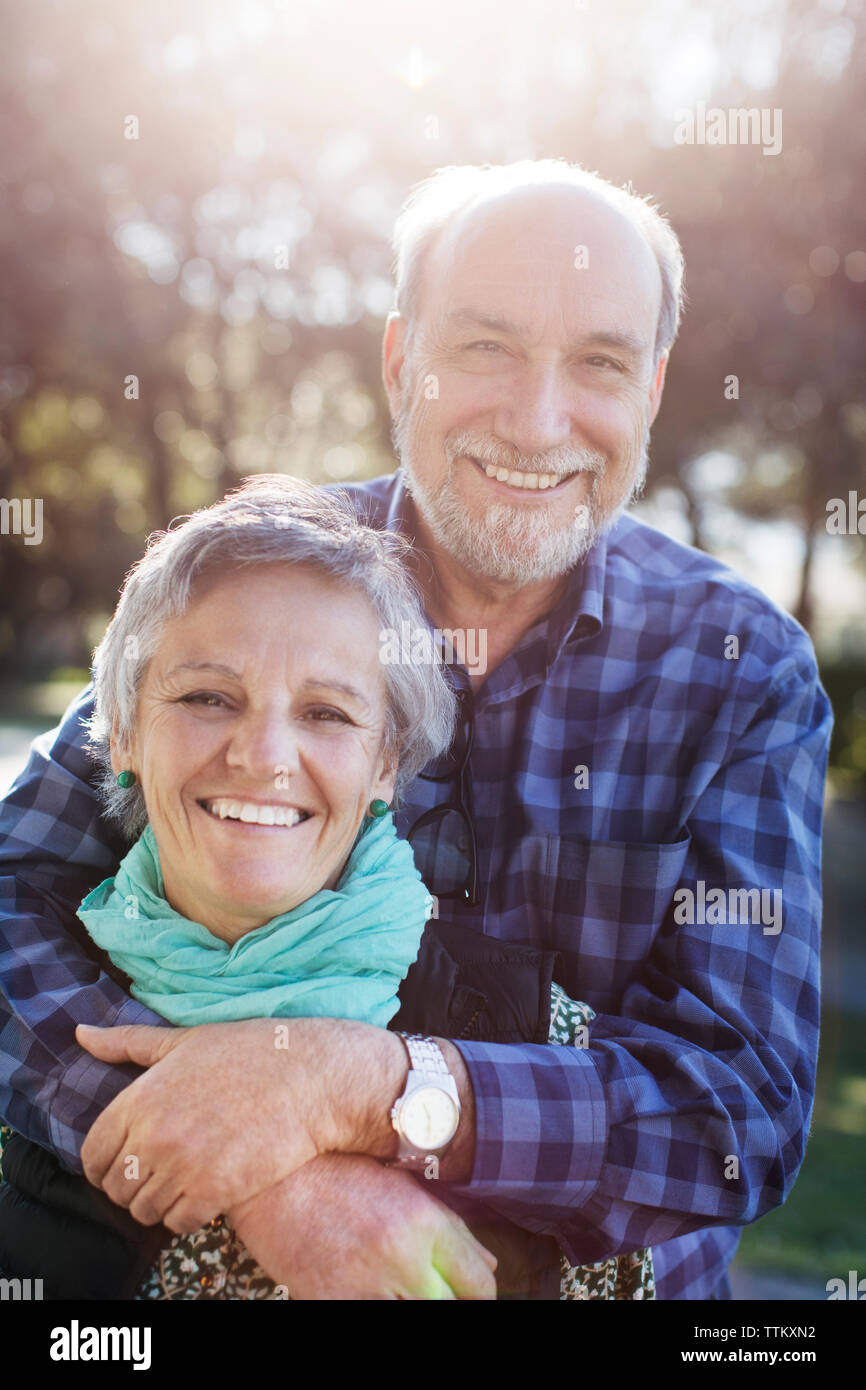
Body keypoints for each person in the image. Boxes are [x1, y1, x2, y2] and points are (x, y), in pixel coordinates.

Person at [0, 158, 831, 1300]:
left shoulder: (742, 669)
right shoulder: (248, 574)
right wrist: (242, 1162)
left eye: (596, 361)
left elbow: (742, 1106)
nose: (538, 421)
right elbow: (13, 887)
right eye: (483, 347)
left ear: (648, 389)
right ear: (401, 362)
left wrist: (357, 1090)